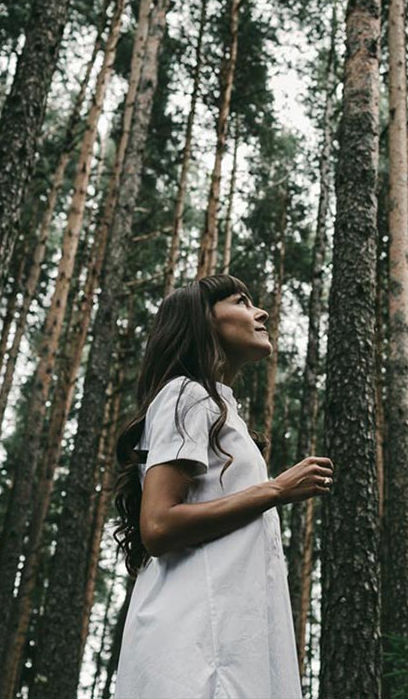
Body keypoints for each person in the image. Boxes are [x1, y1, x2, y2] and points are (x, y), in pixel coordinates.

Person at [112, 274, 333, 698]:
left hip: (230, 641)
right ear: (204, 321)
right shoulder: (186, 395)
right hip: (194, 651)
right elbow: (157, 526)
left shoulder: (219, 409)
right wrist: (277, 490)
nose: (261, 312)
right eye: (242, 301)